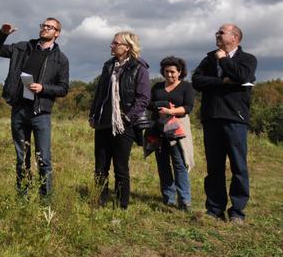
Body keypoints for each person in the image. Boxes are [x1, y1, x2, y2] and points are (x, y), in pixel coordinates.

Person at [0, 18, 69, 198]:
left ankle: (45, 200)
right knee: (21, 158)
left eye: (50, 27)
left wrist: (43, 88)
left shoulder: (61, 59)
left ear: (57, 33)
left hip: (41, 114)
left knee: (44, 159)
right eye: (43, 25)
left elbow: (63, 88)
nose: (45, 28)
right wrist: (2, 34)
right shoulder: (22, 47)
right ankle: (22, 197)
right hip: (19, 110)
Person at [192, 23, 257, 223]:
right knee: (214, 167)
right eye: (217, 32)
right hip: (211, 118)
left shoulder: (247, 59)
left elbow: (243, 76)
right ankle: (214, 209)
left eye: (221, 32)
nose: (217, 34)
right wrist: (222, 82)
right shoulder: (208, 59)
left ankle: (237, 211)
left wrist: (223, 60)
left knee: (238, 166)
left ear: (235, 37)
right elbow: (196, 81)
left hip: (235, 118)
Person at [89, 31, 150, 209]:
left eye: (116, 43)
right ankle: (98, 201)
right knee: (100, 166)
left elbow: (143, 98)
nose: (112, 45)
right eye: (112, 42)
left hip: (124, 125)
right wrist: (93, 115)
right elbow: (100, 93)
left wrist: (128, 118)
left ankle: (121, 205)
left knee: (121, 167)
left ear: (127, 47)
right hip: (103, 122)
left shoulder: (139, 68)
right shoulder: (108, 66)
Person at [149, 56, 195, 211]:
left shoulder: (186, 87)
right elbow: (149, 103)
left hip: (178, 129)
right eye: (166, 71)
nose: (169, 74)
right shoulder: (157, 87)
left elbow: (188, 107)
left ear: (179, 72)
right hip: (158, 128)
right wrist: (159, 107)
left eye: (173, 72)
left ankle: (184, 200)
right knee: (163, 164)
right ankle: (168, 198)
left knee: (179, 163)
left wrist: (171, 111)